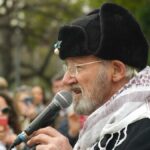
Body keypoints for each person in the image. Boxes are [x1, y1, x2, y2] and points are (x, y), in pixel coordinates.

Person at [27, 3, 150, 150]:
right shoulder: (102, 126)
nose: (66, 79)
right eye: (67, 67)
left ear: (116, 71)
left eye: (77, 68)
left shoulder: (144, 128)